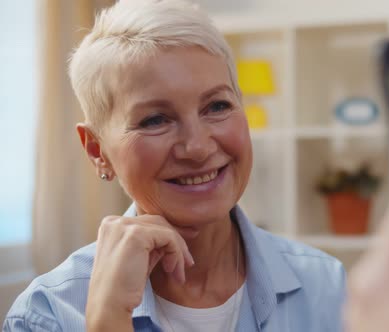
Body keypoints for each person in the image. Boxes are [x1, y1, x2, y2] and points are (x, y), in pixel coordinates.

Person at [3, 1, 345, 331]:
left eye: (217, 106)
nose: (197, 148)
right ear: (97, 151)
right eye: (154, 120)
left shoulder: (328, 290)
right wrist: (108, 322)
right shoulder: (46, 316)